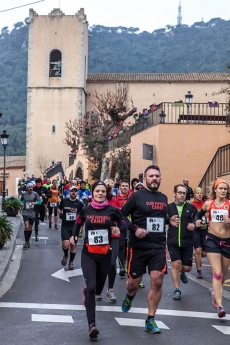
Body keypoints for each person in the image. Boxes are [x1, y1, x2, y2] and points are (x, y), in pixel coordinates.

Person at [120, 165, 179, 334]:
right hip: (138, 247)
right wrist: (134, 229)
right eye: (151, 176)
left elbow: (160, 220)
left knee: (157, 280)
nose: (154, 178)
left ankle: (150, 319)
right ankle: (130, 295)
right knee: (134, 284)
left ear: (160, 179)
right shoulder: (136, 197)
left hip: (158, 245)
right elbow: (122, 215)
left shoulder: (163, 198)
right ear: (145, 179)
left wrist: (170, 221)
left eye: (157, 176)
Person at [70, 181, 125, 339]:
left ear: (105, 193)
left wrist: (118, 229)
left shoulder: (113, 210)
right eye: (97, 191)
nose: (100, 193)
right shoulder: (85, 209)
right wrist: (74, 235)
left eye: (102, 191)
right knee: (93, 288)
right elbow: (78, 223)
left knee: (98, 290)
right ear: (92, 193)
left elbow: (123, 224)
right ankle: (92, 325)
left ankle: (87, 291)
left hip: (105, 254)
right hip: (89, 254)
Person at [195, 179, 230, 318]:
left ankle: (215, 292)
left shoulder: (229, 204)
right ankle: (220, 305)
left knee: (223, 275)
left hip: (227, 241)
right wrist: (197, 221)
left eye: (225, 189)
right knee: (217, 272)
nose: (223, 191)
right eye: (220, 188)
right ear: (215, 190)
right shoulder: (208, 204)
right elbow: (197, 216)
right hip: (212, 240)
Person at [167, 184, 197, 300]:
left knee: (187, 268)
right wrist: (169, 221)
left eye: (184, 193)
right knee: (175, 264)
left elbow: (197, 221)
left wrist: (193, 225)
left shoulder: (191, 208)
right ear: (175, 193)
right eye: (180, 193)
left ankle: (182, 273)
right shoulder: (168, 207)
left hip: (187, 242)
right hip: (173, 241)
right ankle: (177, 289)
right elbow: (163, 220)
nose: (182, 195)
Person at [58, 185, 83, 270]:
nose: (73, 192)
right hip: (65, 226)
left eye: (75, 191)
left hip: (74, 227)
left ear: (77, 193)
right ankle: (65, 254)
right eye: (72, 191)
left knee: (73, 245)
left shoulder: (80, 204)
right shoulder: (64, 201)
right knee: (66, 244)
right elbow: (59, 208)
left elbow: (82, 217)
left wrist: (80, 228)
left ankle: (71, 262)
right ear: (69, 192)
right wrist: (60, 214)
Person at [116, 179, 132, 277]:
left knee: (129, 246)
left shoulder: (132, 198)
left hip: (130, 226)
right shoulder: (115, 199)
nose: (125, 187)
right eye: (123, 186)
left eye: (127, 186)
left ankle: (127, 265)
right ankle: (122, 266)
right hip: (119, 225)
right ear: (119, 187)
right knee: (121, 245)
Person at [192, 187, 208, 279]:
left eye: (201, 193)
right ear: (194, 194)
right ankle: (199, 271)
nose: (199, 194)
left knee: (205, 253)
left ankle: (198, 257)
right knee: (198, 250)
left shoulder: (206, 204)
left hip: (205, 229)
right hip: (195, 231)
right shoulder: (191, 205)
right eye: (198, 193)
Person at [20, 183, 41, 249]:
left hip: (32, 213)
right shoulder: (24, 194)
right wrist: (21, 204)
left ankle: (28, 241)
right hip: (25, 212)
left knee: (30, 228)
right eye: (29, 187)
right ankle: (26, 242)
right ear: (27, 188)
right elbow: (21, 200)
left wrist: (36, 203)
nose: (30, 188)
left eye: (31, 187)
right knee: (26, 226)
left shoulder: (35, 194)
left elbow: (40, 201)